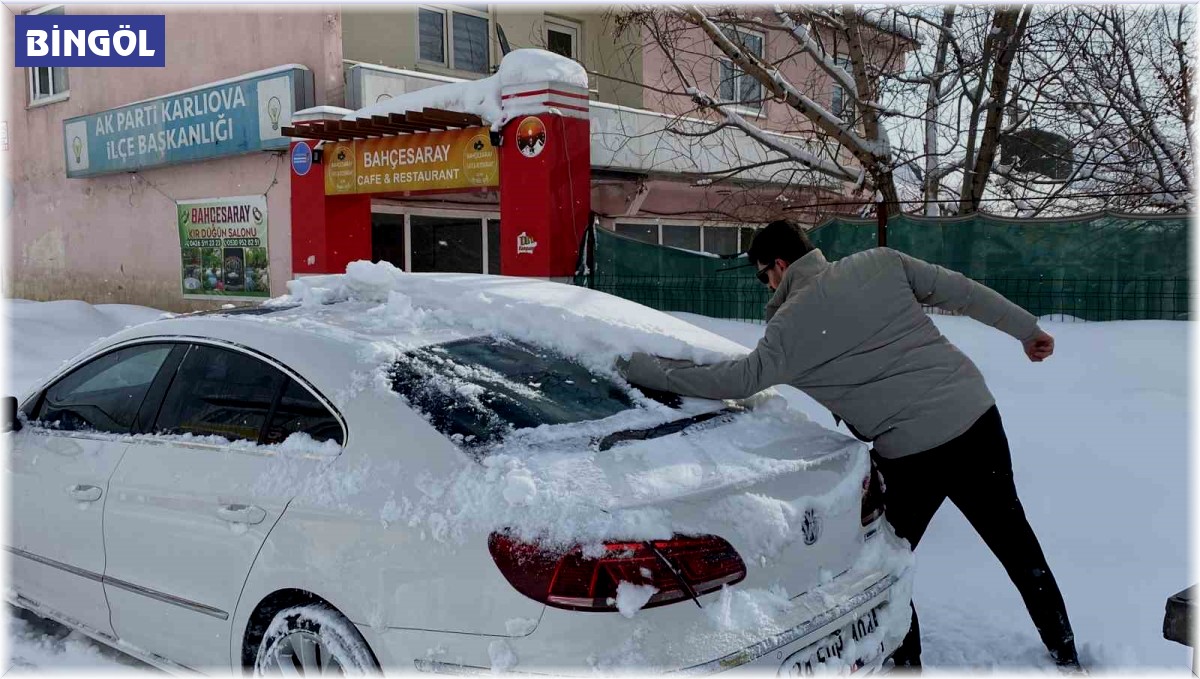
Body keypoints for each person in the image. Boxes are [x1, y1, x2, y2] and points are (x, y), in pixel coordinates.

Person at [618, 219, 1079, 671]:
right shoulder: (880, 262)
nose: (766, 287)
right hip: (975, 417)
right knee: (1015, 540)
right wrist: (1026, 329)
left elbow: (736, 379)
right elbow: (959, 290)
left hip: (912, 454)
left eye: (763, 277)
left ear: (779, 265)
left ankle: (905, 661)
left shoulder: (789, 328)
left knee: (881, 558)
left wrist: (643, 371)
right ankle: (1065, 651)